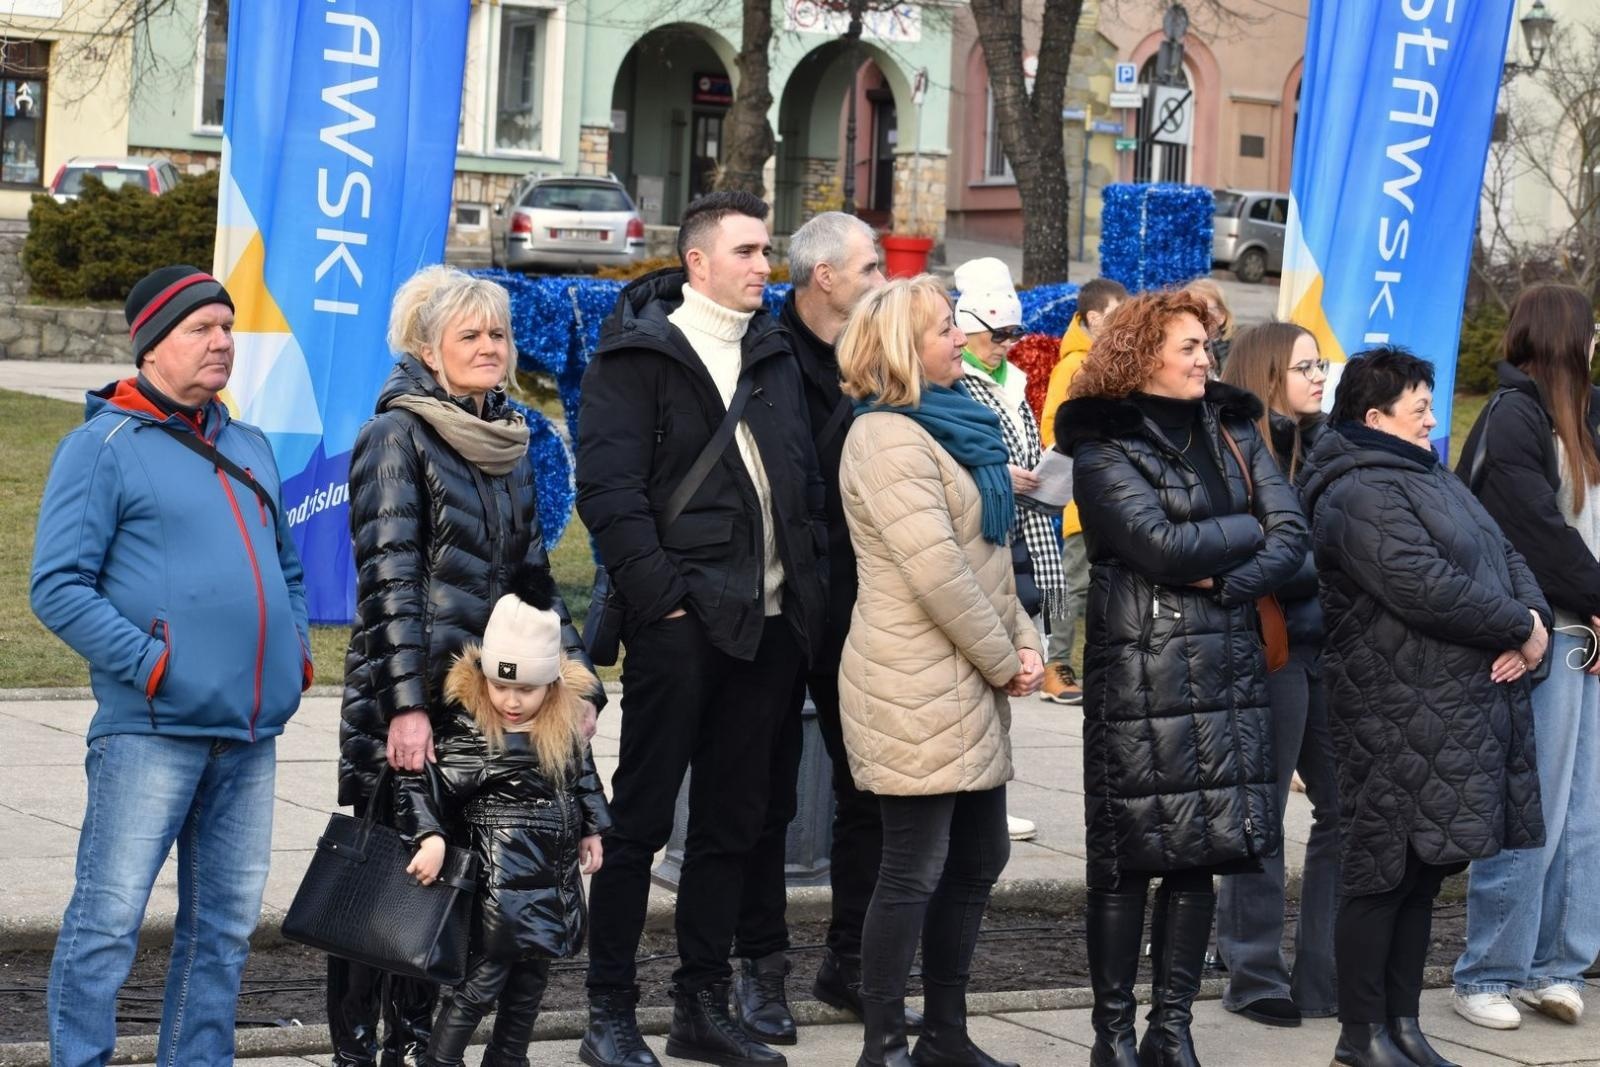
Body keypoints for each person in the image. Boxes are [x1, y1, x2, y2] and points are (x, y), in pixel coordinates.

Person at [31, 265, 311, 1065]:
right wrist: (152, 666)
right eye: (201, 328)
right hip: (151, 732)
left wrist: (292, 656)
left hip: (250, 734)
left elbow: (287, 567)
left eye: (227, 326)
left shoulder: (249, 443)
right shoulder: (102, 447)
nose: (223, 341)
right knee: (107, 924)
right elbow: (56, 586)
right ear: (152, 346)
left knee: (222, 931)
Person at [575, 190, 827, 1067]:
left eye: (769, 250)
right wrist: (664, 603)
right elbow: (608, 494)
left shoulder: (777, 352)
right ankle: (608, 1010)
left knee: (732, 825)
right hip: (680, 630)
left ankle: (699, 1008)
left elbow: (802, 480)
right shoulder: (636, 356)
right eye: (750, 251)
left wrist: (805, 603)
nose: (767, 266)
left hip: (769, 632)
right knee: (639, 821)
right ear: (698, 262)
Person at [336, 265, 600, 1067]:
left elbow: (532, 576)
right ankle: (363, 1051)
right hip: (408, 695)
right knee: (391, 898)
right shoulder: (396, 437)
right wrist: (407, 709)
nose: (491, 347)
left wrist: (577, 677)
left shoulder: (508, 438)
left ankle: (421, 1048)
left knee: (461, 899)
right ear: (427, 347)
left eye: (499, 334)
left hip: (493, 700)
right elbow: (388, 583)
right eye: (471, 335)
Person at [1053, 289, 1307, 1067]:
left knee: (1202, 851)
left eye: (1209, 345)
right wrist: (1244, 533)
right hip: (1143, 670)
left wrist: (1228, 578)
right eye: (1191, 346)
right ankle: (1114, 1035)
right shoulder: (1102, 443)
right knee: (1129, 856)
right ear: (1142, 352)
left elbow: (1292, 531)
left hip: (1227, 659)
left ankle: (1173, 1028)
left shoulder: (1232, 425)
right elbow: (1156, 545)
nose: (1207, 358)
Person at [1299, 347, 1550, 1067]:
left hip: (1448, 709)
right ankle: (1360, 1033)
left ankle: (1402, 1024)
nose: (1434, 420)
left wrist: (1529, 623)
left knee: (1424, 871)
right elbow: (1422, 584)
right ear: (1375, 417)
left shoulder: (1424, 472)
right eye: (1421, 409)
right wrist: (1516, 625)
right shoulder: (1356, 489)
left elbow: (1508, 555)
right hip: (1388, 709)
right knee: (1383, 873)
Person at [836, 275, 1045, 1067]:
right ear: (902, 348)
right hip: (912, 681)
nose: (963, 338)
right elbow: (936, 574)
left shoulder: (956, 427)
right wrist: (1004, 659)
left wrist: (1024, 641)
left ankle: (945, 1036)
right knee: (912, 868)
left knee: (979, 855)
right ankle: (884, 1045)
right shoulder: (886, 437)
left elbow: (987, 557)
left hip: (967, 674)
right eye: (946, 329)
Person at [729, 211, 890, 1046]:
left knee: (869, 790)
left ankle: (852, 960)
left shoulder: (879, 356)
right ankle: (759, 970)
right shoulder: (764, 355)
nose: (880, 279)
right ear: (823, 275)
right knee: (766, 796)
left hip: (861, 611)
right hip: (781, 608)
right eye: (869, 267)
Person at [1451, 283, 1600, 1031]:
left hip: (1587, 639)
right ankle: (1488, 969)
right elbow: (1533, 531)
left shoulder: (1581, 417)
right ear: (1565, 337)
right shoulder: (1513, 416)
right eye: (1592, 329)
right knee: (1530, 809)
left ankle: (1556, 964)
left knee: (1583, 817)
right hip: (1543, 638)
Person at [394, 565, 611, 1067]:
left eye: (526, 691)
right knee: (479, 985)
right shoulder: (473, 732)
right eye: (501, 687)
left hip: (551, 879)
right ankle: (439, 1061)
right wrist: (429, 835)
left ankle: (508, 1057)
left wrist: (591, 825)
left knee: (532, 982)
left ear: (552, 685)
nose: (511, 702)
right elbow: (423, 782)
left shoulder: (561, 722)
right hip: (500, 885)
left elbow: (579, 771)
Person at [1214, 322, 1341, 1026]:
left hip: (1325, 647)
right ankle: (1254, 971)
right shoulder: (1235, 454)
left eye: (1319, 363)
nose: (1320, 375)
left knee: (1347, 806)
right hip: (1269, 649)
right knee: (1259, 815)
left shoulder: (1322, 445)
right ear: (1268, 376)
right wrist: (1327, 564)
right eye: (1305, 365)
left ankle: (1323, 971)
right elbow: (1267, 556)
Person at [953, 257, 1059, 845]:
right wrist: (997, 471)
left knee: (1012, 674)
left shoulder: (1010, 381)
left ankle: (990, 803)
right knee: (991, 678)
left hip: (1024, 538)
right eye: (996, 336)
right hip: (990, 539)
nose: (1004, 346)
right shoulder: (954, 383)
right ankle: (984, 807)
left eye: (1012, 335)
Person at [1038, 277, 1128, 705]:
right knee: (1071, 585)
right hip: (1082, 499)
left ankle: (1077, 667)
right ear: (1094, 318)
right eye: (1116, 315)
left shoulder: (1099, 362)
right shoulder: (1075, 366)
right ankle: (1056, 666)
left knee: (1090, 588)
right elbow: (1053, 429)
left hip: (1099, 497)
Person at [1184, 278, 1235, 368]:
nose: (1197, 318)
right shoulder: (1179, 348)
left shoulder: (1235, 351)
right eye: (1190, 311)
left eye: (1205, 311)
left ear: (1221, 317)